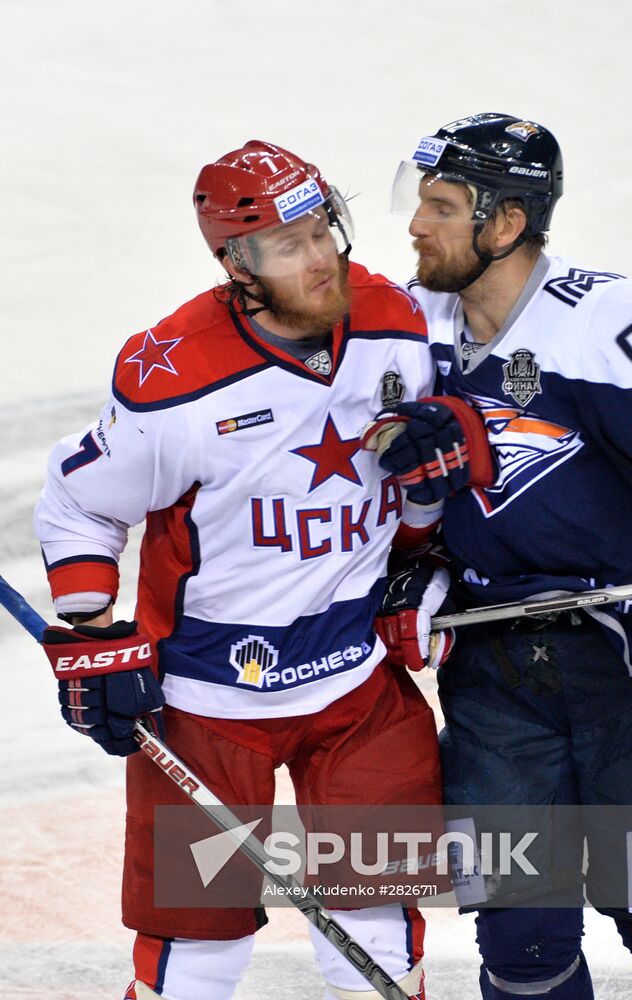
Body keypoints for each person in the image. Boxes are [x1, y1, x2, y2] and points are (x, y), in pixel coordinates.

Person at [364, 112, 632, 999]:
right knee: (523, 947)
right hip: (495, 679)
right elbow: (383, 499)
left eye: (440, 205)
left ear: (505, 223)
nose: (415, 225)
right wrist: (417, 563)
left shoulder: (602, 323)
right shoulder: (402, 329)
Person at [33, 140, 445, 1000]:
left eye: (323, 230)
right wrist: (90, 629)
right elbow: (79, 504)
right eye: (290, 245)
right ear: (235, 262)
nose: (324, 256)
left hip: (355, 688)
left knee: (378, 924)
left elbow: (446, 464)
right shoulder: (174, 376)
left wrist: (430, 558)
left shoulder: (399, 321)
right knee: (198, 945)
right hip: (205, 704)